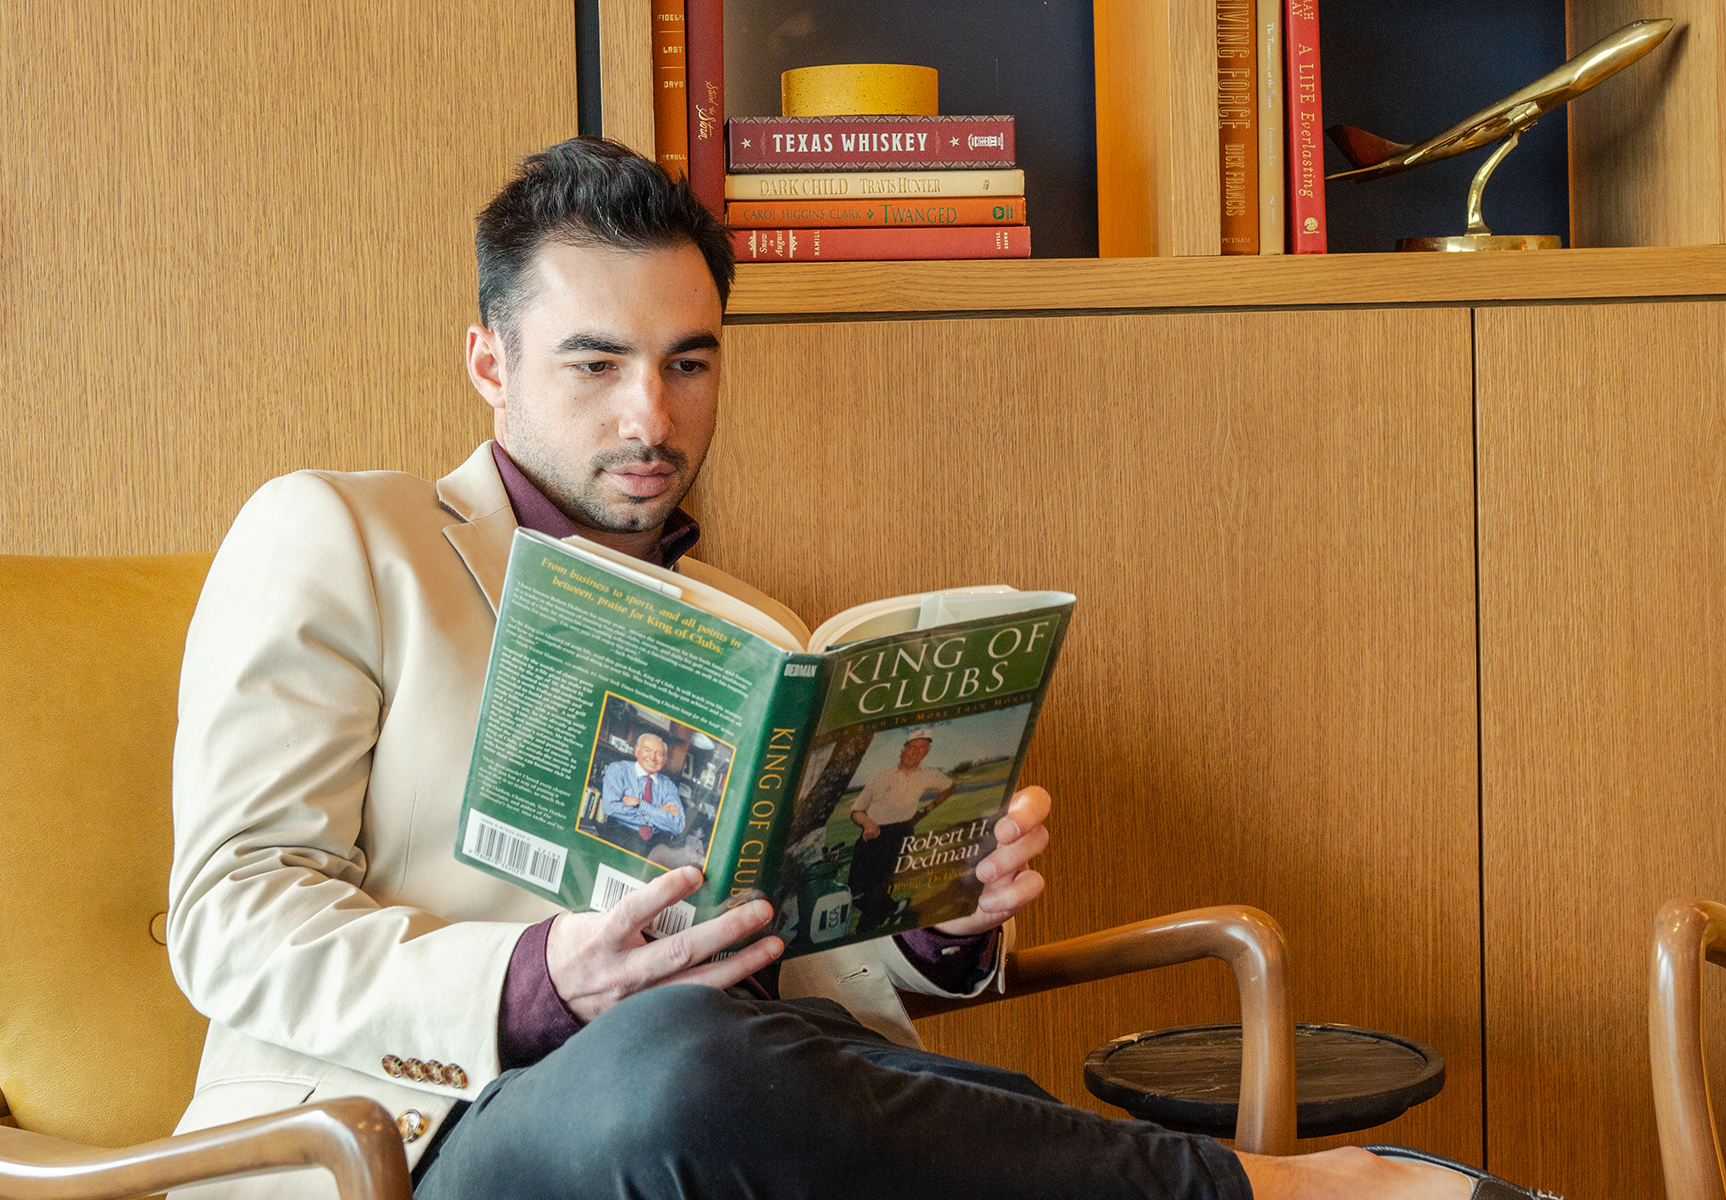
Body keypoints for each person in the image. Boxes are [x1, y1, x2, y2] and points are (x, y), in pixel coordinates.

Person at [166, 137, 1542, 1200]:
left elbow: (818, 987)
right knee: (678, 1060)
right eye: (595, 365)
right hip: (416, 1136)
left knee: (766, 1066)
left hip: (748, 1109)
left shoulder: (757, 630)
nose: (651, 416)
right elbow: (229, 912)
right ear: (490, 362)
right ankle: (1284, 1188)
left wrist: (940, 918)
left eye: (689, 364)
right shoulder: (345, 537)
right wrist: (540, 981)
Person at [848, 726, 954, 933]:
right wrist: (867, 822)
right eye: (913, 746)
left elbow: (949, 787)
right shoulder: (881, 776)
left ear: (926, 753)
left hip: (899, 834)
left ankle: (866, 930)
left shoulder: (929, 774)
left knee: (879, 887)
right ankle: (896, 908)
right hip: (871, 834)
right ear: (903, 750)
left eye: (922, 748)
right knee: (856, 892)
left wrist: (927, 809)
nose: (916, 752)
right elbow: (856, 811)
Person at [600, 731, 684, 844]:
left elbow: (678, 825)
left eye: (659, 754)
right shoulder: (618, 770)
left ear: (664, 760)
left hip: (654, 843)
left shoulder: (669, 786)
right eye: (647, 750)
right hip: (618, 834)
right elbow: (611, 808)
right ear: (637, 751)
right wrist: (657, 812)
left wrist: (639, 804)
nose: (652, 757)